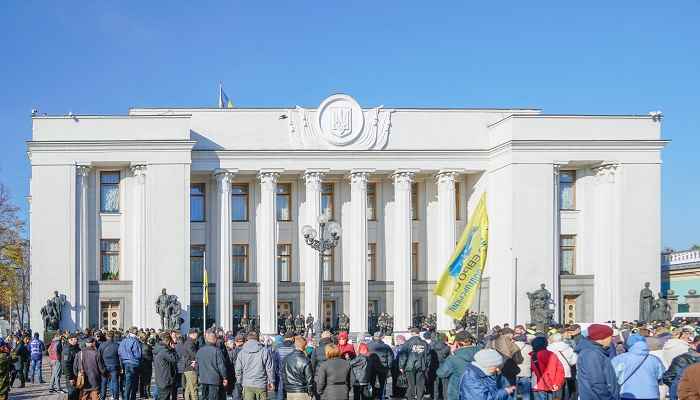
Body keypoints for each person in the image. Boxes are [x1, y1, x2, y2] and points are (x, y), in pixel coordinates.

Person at [610, 334, 664, 400]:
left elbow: (612, 377)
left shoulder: (620, 359)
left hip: (627, 394)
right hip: (652, 394)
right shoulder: (655, 359)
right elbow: (661, 377)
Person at [574, 324, 619, 400]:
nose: (611, 340)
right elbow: (597, 383)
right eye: (610, 337)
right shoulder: (592, 353)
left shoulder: (596, 351)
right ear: (603, 338)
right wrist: (608, 398)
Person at [436, 331, 478, 400]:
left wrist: (452, 353)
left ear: (457, 343)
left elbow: (441, 373)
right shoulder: (482, 353)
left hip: (457, 393)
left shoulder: (453, 358)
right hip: (477, 392)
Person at [235, 331, 274, 400]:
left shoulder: (242, 352)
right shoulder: (264, 351)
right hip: (261, 384)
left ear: (247, 339)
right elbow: (269, 368)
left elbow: (238, 369)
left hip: (247, 384)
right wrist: (271, 381)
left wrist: (240, 381)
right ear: (257, 339)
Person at [197, 331, 230, 400]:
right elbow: (221, 366)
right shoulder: (217, 351)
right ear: (214, 339)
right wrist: (225, 377)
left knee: (204, 397)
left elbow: (197, 365)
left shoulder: (200, 350)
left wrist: (199, 375)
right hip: (214, 380)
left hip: (203, 379)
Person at [399, 327, 430, 400]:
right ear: (418, 333)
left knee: (411, 384)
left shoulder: (407, 343)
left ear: (412, 333)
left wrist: (401, 366)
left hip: (409, 366)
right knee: (420, 384)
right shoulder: (425, 343)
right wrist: (426, 365)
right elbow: (428, 356)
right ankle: (419, 398)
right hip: (421, 366)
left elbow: (403, 356)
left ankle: (411, 398)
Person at [547, 332, 577, 400]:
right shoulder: (568, 348)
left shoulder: (549, 348)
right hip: (566, 371)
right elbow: (574, 360)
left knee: (555, 390)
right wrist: (569, 364)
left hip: (554, 372)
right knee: (565, 389)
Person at [367, 331, 393, 400]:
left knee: (372, 383)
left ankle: (373, 396)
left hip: (371, 367)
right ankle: (382, 397)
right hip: (383, 367)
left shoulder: (368, 345)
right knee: (382, 383)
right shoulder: (386, 346)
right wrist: (389, 367)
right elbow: (390, 357)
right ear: (381, 337)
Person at [118, 327, 143, 400]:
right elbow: (138, 354)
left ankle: (126, 398)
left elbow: (119, 352)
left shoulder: (124, 340)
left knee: (128, 383)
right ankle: (132, 398)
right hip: (134, 363)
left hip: (125, 363)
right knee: (134, 383)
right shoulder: (135, 341)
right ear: (135, 332)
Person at [153, 335, 178, 400]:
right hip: (165, 380)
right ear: (168, 342)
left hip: (160, 379)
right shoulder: (165, 351)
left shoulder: (158, 349)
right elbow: (175, 359)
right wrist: (173, 349)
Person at [177, 328, 199, 400]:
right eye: (196, 333)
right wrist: (194, 361)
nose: (197, 335)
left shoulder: (189, 342)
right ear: (192, 334)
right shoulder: (190, 343)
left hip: (188, 367)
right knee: (193, 388)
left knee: (189, 388)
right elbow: (194, 355)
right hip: (190, 368)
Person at [98, 331, 121, 400]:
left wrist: (101, 367)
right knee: (115, 382)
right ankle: (115, 397)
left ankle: (102, 397)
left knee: (104, 383)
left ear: (106, 337)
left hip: (105, 365)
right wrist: (120, 367)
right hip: (114, 365)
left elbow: (99, 357)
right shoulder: (116, 345)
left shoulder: (102, 345)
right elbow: (120, 357)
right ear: (113, 337)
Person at [428, 333, 450, 400]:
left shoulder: (432, 346)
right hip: (444, 367)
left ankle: (434, 397)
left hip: (434, 366)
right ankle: (445, 397)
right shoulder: (447, 347)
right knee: (445, 384)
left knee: (435, 383)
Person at [275, 331, 296, 400]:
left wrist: (276, 373)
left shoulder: (278, 347)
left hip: (281, 372)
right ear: (292, 338)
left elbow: (275, 361)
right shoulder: (294, 347)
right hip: (292, 374)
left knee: (280, 392)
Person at [63, 333, 81, 400]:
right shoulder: (67, 350)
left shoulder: (76, 348)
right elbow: (66, 365)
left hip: (77, 375)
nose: (77, 340)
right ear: (70, 340)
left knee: (76, 393)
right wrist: (70, 378)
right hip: (72, 376)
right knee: (72, 393)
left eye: (77, 339)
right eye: (75, 339)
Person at [140, 333, 155, 399]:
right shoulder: (148, 347)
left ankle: (142, 393)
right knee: (147, 381)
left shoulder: (139, 346)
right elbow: (151, 357)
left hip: (141, 365)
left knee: (142, 380)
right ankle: (147, 393)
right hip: (147, 365)